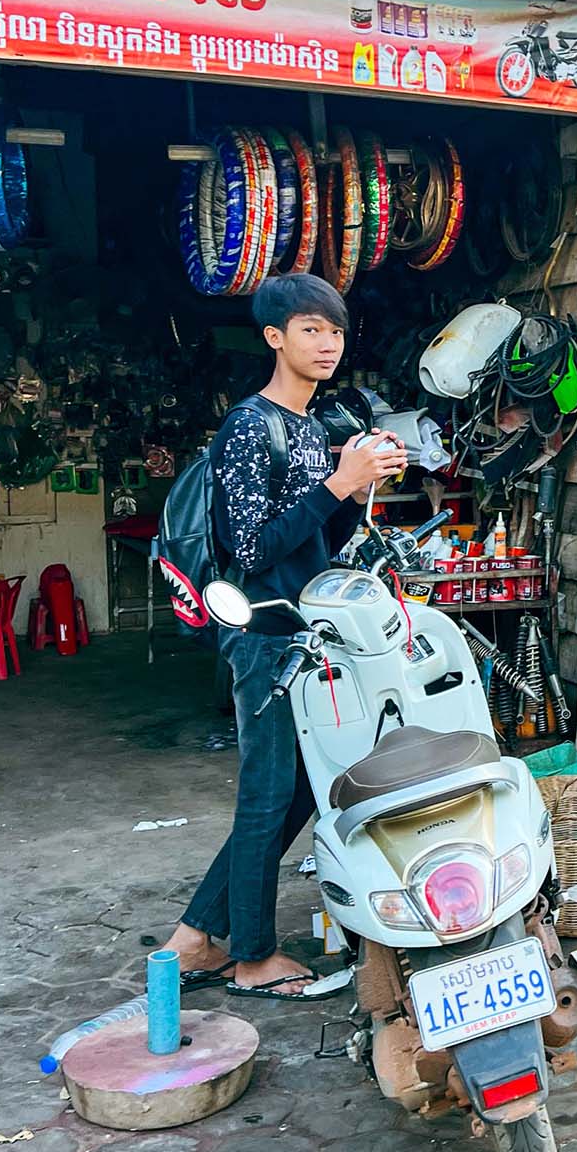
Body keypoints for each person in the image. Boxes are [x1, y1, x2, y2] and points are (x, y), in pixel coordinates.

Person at [159, 275, 406, 1001]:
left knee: (296, 791)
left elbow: (315, 540)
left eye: (335, 331)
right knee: (268, 796)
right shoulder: (250, 425)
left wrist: (358, 483)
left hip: (305, 634)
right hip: (263, 635)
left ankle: (195, 937)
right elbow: (252, 548)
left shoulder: (309, 426)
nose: (328, 344)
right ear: (275, 337)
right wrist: (336, 484)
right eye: (310, 329)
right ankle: (252, 958)